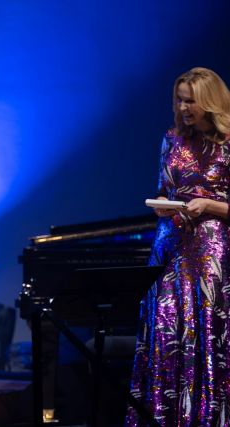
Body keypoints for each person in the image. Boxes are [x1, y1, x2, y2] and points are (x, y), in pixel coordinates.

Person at [126, 67, 230, 425]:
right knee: (166, 329)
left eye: (191, 101)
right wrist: (161, 204)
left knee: (207, 330)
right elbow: (163, 188)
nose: (184, 108)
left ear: (210, 102)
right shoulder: (171, 139)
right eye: (180, 100)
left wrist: (210, 205)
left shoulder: (227, 143)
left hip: (212, 251)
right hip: (170, 247)